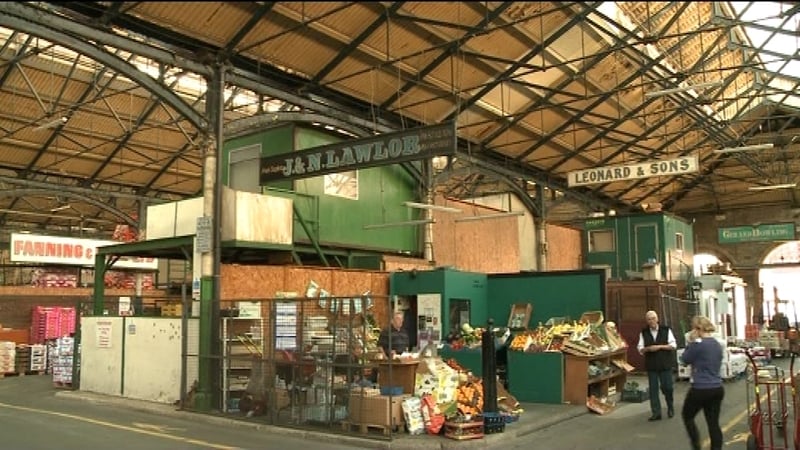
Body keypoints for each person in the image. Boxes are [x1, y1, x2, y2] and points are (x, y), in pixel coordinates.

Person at [680, 315, 724, 450]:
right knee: (713, 423)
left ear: (697, 329)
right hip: (717, 387)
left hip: (700, 388)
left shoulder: (697, 345)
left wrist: (691, 342)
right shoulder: (717, 345)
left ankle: (696, 445)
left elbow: (684, 359)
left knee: (687, 416)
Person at [637, 310, 677, 421]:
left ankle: (670, 406)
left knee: (667, 387)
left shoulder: (666, 330)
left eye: (653, 318)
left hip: (665, 364)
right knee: (653, 390)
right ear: (646, 321)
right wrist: (647, 349)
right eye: (649, 319)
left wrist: (659, 347)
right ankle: (656, 413)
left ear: (657, 319)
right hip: (651, 365)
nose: (651, 321)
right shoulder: (644, 332)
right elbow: (640, 348)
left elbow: (673, 345)